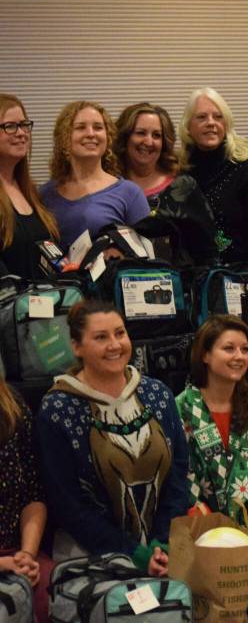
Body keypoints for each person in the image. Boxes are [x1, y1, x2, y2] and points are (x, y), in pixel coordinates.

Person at [35, 300, 188, 575]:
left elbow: (177, 475)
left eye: (120, 333)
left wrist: (162, 544)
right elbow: (67, 504)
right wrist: (133, 554)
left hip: (163, 552)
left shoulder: (158, 394)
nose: (115, 345)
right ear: (76, 346)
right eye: (101, 337)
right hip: (90, 560)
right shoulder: (57, 410)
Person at [176, 315, 248, 542]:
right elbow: (181, 486)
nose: (239, 356)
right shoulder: (180, 411)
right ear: (205, 355)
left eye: (244, 349)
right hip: (199, 537)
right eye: (229, 348)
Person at [113, 102, 217, 263]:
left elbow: (212, 243)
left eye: (156, 135)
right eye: (140, 133)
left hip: (177, 282)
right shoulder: (108, 185)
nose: (148, 142)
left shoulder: (184, 186)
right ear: (125, 137)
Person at [179, 87, 248, 262]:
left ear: (226, 124)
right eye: (201, 117)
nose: (211, 123)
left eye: (218, 117)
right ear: (188, 127)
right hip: (190, 278)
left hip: (243, 277)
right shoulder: (177, 173)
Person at [40, 101, 149, 251]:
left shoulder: (130, 194)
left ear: (108, 137)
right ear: (64, 138)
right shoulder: (43, 195)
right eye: (80, 127)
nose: (91, 134)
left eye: (98, 127)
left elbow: (148, 257)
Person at [0, 377, 52, 622]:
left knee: (57, 592)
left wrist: (26, 555)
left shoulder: (12, 403)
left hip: (18, 550)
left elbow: (34, 494)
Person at [0, 94, 60, 278]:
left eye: (24, 125)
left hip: (42, 303)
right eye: (10, 126)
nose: (21, 133)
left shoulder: (32, 192)